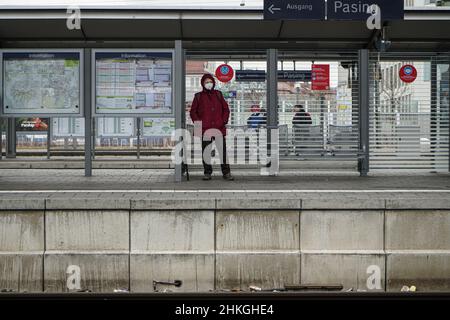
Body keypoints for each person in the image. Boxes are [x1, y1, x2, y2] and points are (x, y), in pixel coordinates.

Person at [190, 73, 234, 181]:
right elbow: (193, 112)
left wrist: (223, 121)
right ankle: (207, 172)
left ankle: (226, 172)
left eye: (210, 82)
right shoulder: (198, 96)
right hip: (205, 129)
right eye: (206, 82)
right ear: (202, 84)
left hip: (219, 128)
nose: (208, 84)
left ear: (213, 83)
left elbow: (226, 109)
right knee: (206, 152)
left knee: (222, 151)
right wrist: (199, 125)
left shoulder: (218, 94)